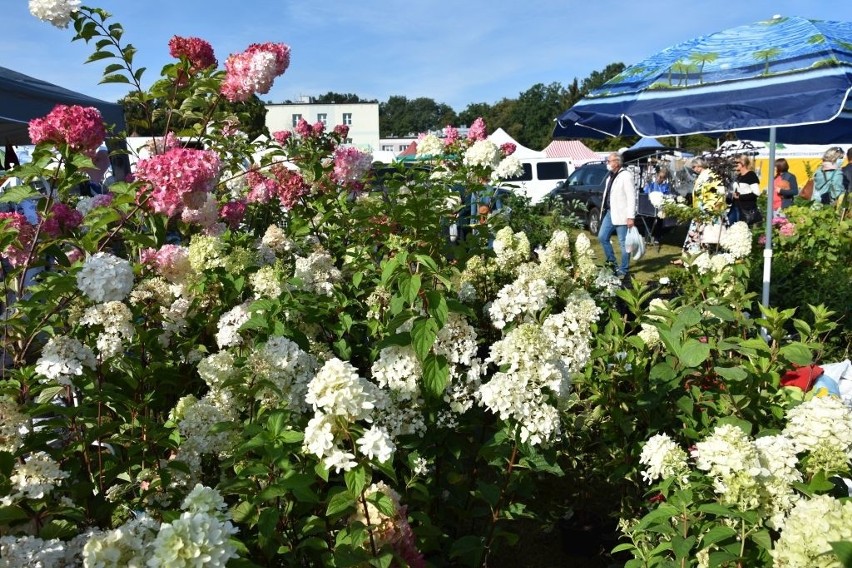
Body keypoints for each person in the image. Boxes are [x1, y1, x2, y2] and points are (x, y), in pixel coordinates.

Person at [597, 152, 636, 278]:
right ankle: (612, 264)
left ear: (617, 162)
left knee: (623, 243)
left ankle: (623, 269)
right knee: (602, 237)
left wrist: (631, 216)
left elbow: (631, 197)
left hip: (623, 214)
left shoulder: (626, 176)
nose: (607, 163)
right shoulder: (610, 176)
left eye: (609, 161)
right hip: (610, 212)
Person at [682, 156, 729, 254]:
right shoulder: (703, 176)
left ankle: (701, 255)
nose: (693, 169)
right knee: (698, 234)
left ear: (699, 166)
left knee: (708, 235)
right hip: (701, 210)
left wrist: (712, 210)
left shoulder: (711, 176)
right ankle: (693, 255)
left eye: (694, 167)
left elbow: (719, 192)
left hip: (708, 211)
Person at [732, 155, 761, 226]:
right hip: (736, 208)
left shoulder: (751, 175)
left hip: (747, 209)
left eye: (737, 163)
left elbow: (756, 193)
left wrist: (740, 197)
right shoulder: (738, 176)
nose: (734, 165)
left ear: (743, 163)